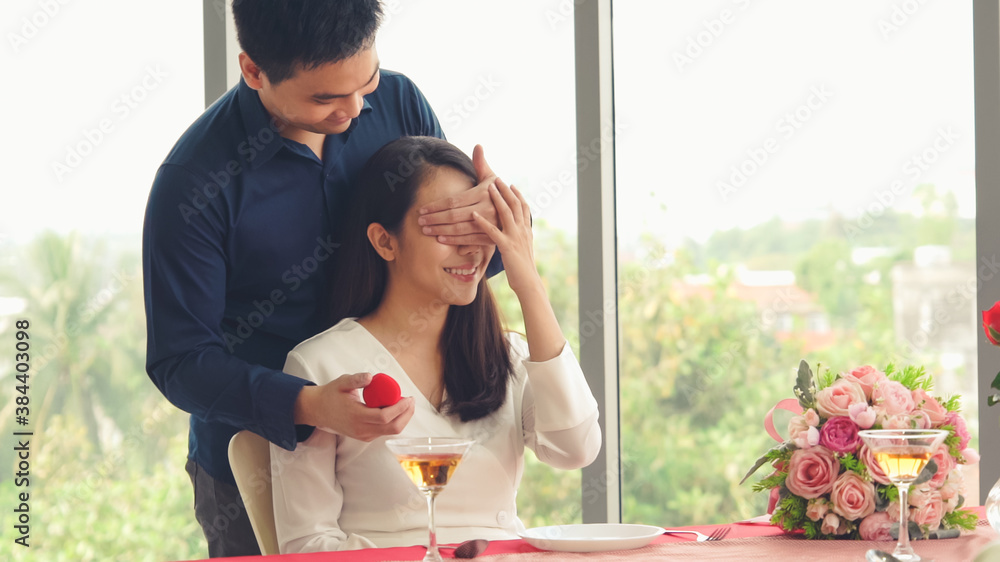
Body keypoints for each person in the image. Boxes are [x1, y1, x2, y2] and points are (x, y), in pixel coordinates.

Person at [142, 1, 500, 557]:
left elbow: (444, 255)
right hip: (257, 454)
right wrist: (307, 405)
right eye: (325, 97)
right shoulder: (195, 183)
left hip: (395, 448)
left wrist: (496, 230)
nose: (356, 109)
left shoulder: (398, 102)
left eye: (367, 81)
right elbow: (179, 361)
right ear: (254, 70)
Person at [269, 136, 602, 553]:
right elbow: (306, 544)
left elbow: (576, 449)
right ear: (384, 241)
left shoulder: (507, 355)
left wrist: (528, 282)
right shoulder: (320, 365)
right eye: (447, 228)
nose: (469, 248)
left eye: (477, 225)